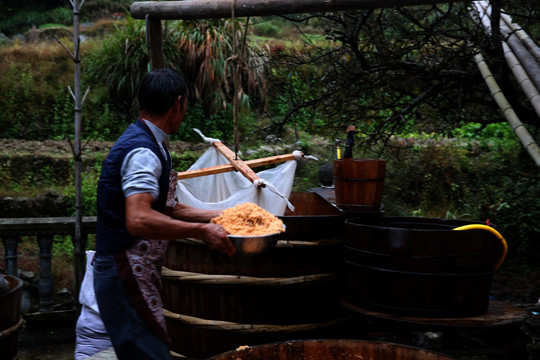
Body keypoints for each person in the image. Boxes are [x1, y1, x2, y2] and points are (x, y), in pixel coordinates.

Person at [93, 68, 236, 360]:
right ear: (178, 104)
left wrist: (222, 216)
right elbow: (139, 218)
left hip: (132, 273)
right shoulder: (142, 151)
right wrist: (201, 232)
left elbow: (167, 208)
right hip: (124, 272)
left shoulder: (152, 142)